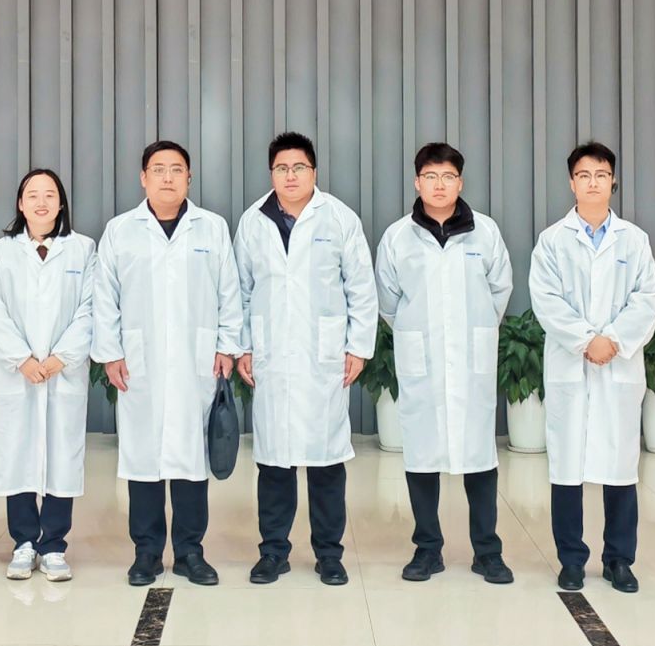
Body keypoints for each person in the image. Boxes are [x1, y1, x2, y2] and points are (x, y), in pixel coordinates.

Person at [92, 139, 246, 587]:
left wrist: (227, 346)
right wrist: (111, 353)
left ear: (189, 179)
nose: (167, 177)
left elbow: (229, 291)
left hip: (198, 362)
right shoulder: (120, 231)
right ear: (143, 178)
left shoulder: (211, 228)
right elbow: (105, 296)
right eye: (158, 169)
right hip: (138, 365)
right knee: (143, 459)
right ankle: (146, 553)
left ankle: (190, 552)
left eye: (176, 169)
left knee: (191, 459)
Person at [234, 132, 376, 586]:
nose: (290, 176)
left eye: (299, 168)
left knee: (326, 462)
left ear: (314, 171)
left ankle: (329, 554)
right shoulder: (253, 222)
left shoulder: (339, 218)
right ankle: (273, 552)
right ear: (271, 173)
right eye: (282, 168)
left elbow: (361, 287)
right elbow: (240, 291)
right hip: (272, 356)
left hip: (324, 357)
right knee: (274, 462)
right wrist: (243, 346)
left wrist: (358, 346)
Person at [376, 141, 515, 585]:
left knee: (479, 456)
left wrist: (473, 330)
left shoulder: (485, 233)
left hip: (471, 361)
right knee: (421, 455)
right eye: (431, 177)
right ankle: (427, 549)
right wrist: (419, 333)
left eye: (448, 177)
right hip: (422, 361)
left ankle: (487, 552)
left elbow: (500, 290)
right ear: (417, 182)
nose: (439, 185)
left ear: (461, 182)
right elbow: (388, 300)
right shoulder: (397, 238)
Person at [528, 141, 655, 593]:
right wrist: (587, 340)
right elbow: (546, 300)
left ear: (613, 181)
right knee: (566, 467)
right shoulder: (552, 241)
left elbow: (648, 297)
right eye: (584, 175)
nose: (592, 183)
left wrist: (615, 340)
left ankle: (619, 560)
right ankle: (571, 560)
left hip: (617, 367)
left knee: (620, 466)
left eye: (601, 175)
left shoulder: (634, 240)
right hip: (572, 364)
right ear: (572, 183)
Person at [0, 168, 95, 583]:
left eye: (49, 195)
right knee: (19, 453)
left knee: (62, 456)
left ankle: (55, 544)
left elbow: (90, 307)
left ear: (61, 203)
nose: (41, 202)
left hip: (63, 372)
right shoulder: (1, 253)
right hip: (19, 374)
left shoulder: (82, 249)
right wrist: (22, 359)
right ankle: (24, 542)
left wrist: (62, 357)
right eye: (33, 195)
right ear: (20, 204)